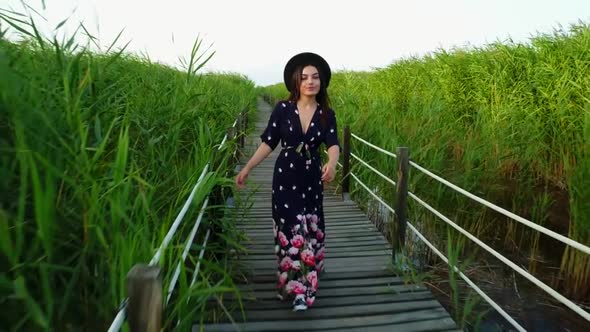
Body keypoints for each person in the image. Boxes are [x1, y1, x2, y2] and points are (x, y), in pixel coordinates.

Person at [235, 52, 340, 311]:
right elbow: (269, 142)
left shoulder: (326, 113)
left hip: (311, 178)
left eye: (315, 77)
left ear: (321, 82)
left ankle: (298, 284)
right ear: (296, 81)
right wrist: (248, 167)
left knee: (309, 228)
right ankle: (299, 292)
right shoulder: (283, 109)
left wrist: (333, 163)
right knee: (292, 231)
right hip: (285, 177)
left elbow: (333, 144)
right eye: (304, 77)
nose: (310, 82)